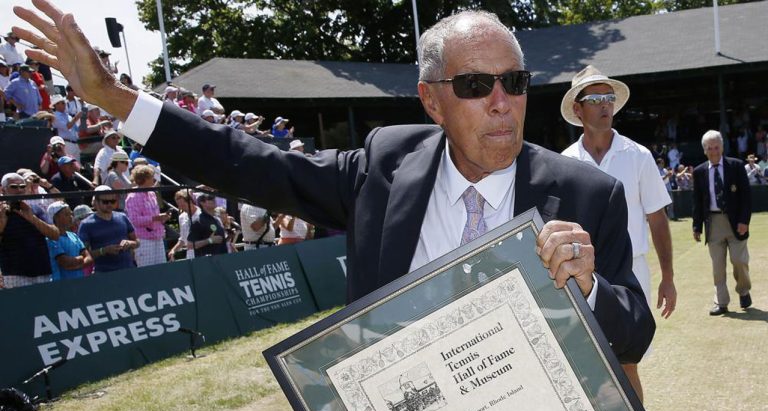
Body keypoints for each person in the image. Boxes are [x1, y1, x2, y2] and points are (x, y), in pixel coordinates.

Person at [14, 5, 653, 362]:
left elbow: (637, 333)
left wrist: (590, 288)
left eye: (513, 83)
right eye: (474, 85)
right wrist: (116, 99)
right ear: (432, 101)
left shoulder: (586, 193)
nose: (500, 102)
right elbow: (250, 164)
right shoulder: (385, 164)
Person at [560, 65, 676, 402]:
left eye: (608, 97)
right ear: (578, 109)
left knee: (627, 364)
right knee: (587, 367)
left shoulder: (638, 156)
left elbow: (658, 219)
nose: (604, 104)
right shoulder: (565, 162)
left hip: (629, 273)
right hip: (578, 276)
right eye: (595, 98)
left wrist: (667, 277)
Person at [692, 130, 752, 316]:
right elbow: (697, 200)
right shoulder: (699, 171)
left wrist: (744, 220)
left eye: (716, 147)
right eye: (709, 148)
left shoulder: (736, 166)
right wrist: (696, 226)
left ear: (722, 147)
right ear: (704, 150)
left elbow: (746, 196)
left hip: (735, 222)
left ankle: (743, 291)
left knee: (739, 260)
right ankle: (721, 302)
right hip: (713, 222)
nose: (713, 151)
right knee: (718, 266)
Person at [0, 173, 59, 288]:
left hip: (42, 271)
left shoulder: (35, 209)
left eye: (22, 186)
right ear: (3, 189)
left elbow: (55, 234)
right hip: (15, 274)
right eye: (14, 187)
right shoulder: (1, 213)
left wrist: (32, 218)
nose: (19, 190)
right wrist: (2, 222)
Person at [77, 185, 139, 273]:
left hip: (128, 270)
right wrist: (104, 251)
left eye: (112, 201)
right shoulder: (86, 224)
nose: (109, 204)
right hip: (104, 274)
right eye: (105, 202)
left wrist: (129, 243)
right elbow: (83, 254)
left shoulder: (123, 217)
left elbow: (137, 241)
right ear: (95, 202)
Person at [124, 165, 168, 267]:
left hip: (158, 237)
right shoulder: (133, 196)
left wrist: (162, 219)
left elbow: (156, 215)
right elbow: (134, 220)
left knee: (162, 269)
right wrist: (155, 218)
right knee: (147, 271)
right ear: (144, 179)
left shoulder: (152, 193)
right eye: (151, 176)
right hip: (143, 240)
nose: (154, 179)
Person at [46, 201, 92, 280]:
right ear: (56, 218)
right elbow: (65, 262)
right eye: (67, 214)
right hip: (60, 286)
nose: (71, 217)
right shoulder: (51, 238)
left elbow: (89, 258)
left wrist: (75, 265)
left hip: (79, 283)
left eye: (71, 214)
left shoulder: (73, 235)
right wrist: (81, 258)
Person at [187, 192, 227, 257]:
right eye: (210, 198)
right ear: (202, 203)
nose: (214, 199)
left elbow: (219, 240)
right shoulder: (198, 221)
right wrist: (210, 240)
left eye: (214, 197)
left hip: (222, 259)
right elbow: (190, 245)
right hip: (208, 262)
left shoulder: (217, 219)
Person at [168, 189, 199, 260]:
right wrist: (173, 250)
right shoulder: (181, 217)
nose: (181, 207)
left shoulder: (202, 215)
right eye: (179, 205)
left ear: (190, 201)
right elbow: (183, 239)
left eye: (183, 205)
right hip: (190, 255)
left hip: (204, 252)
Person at [50, 93, 82, 160]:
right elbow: (67, 126)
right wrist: (77, 117)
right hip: (66, 144)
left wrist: (83, 119)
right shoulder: (55, 117)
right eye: (61, 103)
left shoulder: (68, 116)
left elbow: (77, 129)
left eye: (63, 103)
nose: (64, 105)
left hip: (75, 143)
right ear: (55, 105)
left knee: (77, 165)